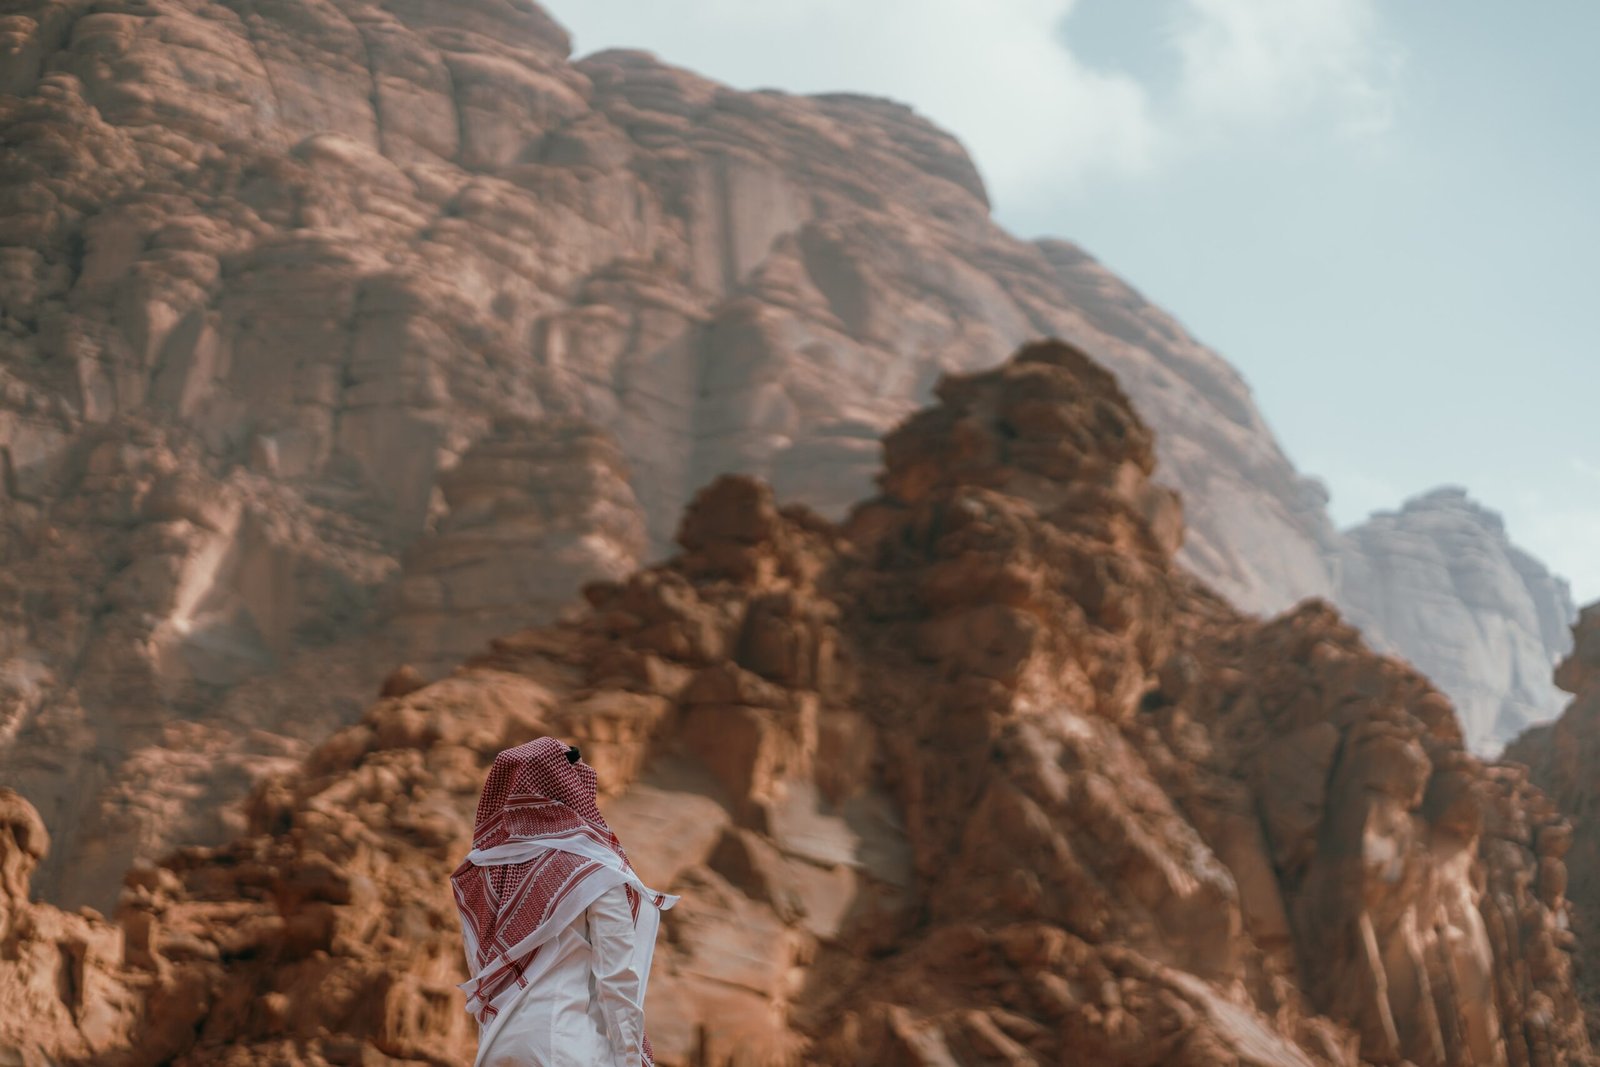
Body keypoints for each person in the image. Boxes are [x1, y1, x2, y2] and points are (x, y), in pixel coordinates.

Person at [451, 737, 678, 1066]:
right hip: (563, 1044)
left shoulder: (487, 873)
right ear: (571, 789)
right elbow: (616, 980)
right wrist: (632, 1059)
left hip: (496, 1044)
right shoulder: (595, 872)